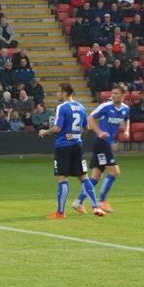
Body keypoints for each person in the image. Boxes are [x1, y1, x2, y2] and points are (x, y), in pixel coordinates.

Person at [38, 83, 105, 219]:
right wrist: (77, 137)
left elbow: (57, 128)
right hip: (77, 145)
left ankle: (60, 212)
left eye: (58, 92)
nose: (57, 94)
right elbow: (87, 127)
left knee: (63, 177)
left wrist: (45, 132)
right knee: (84, 177)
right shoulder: (81, 107)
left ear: (65, 93)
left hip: (63, 146)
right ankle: (96, 207)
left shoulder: (62, 107)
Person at [71, 85, 129, 214]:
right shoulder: (106, 106)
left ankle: (78, 202)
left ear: (123, 95)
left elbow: (127, 119)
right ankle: (102, 201)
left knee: (96, 176)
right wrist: (99, 132)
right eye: (112, 93)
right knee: (115, 172)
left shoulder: (125, 109)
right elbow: (90, 118)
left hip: (104, 144)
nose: (113, 95)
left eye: (116, 93)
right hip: (102, 143)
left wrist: (126, 130)